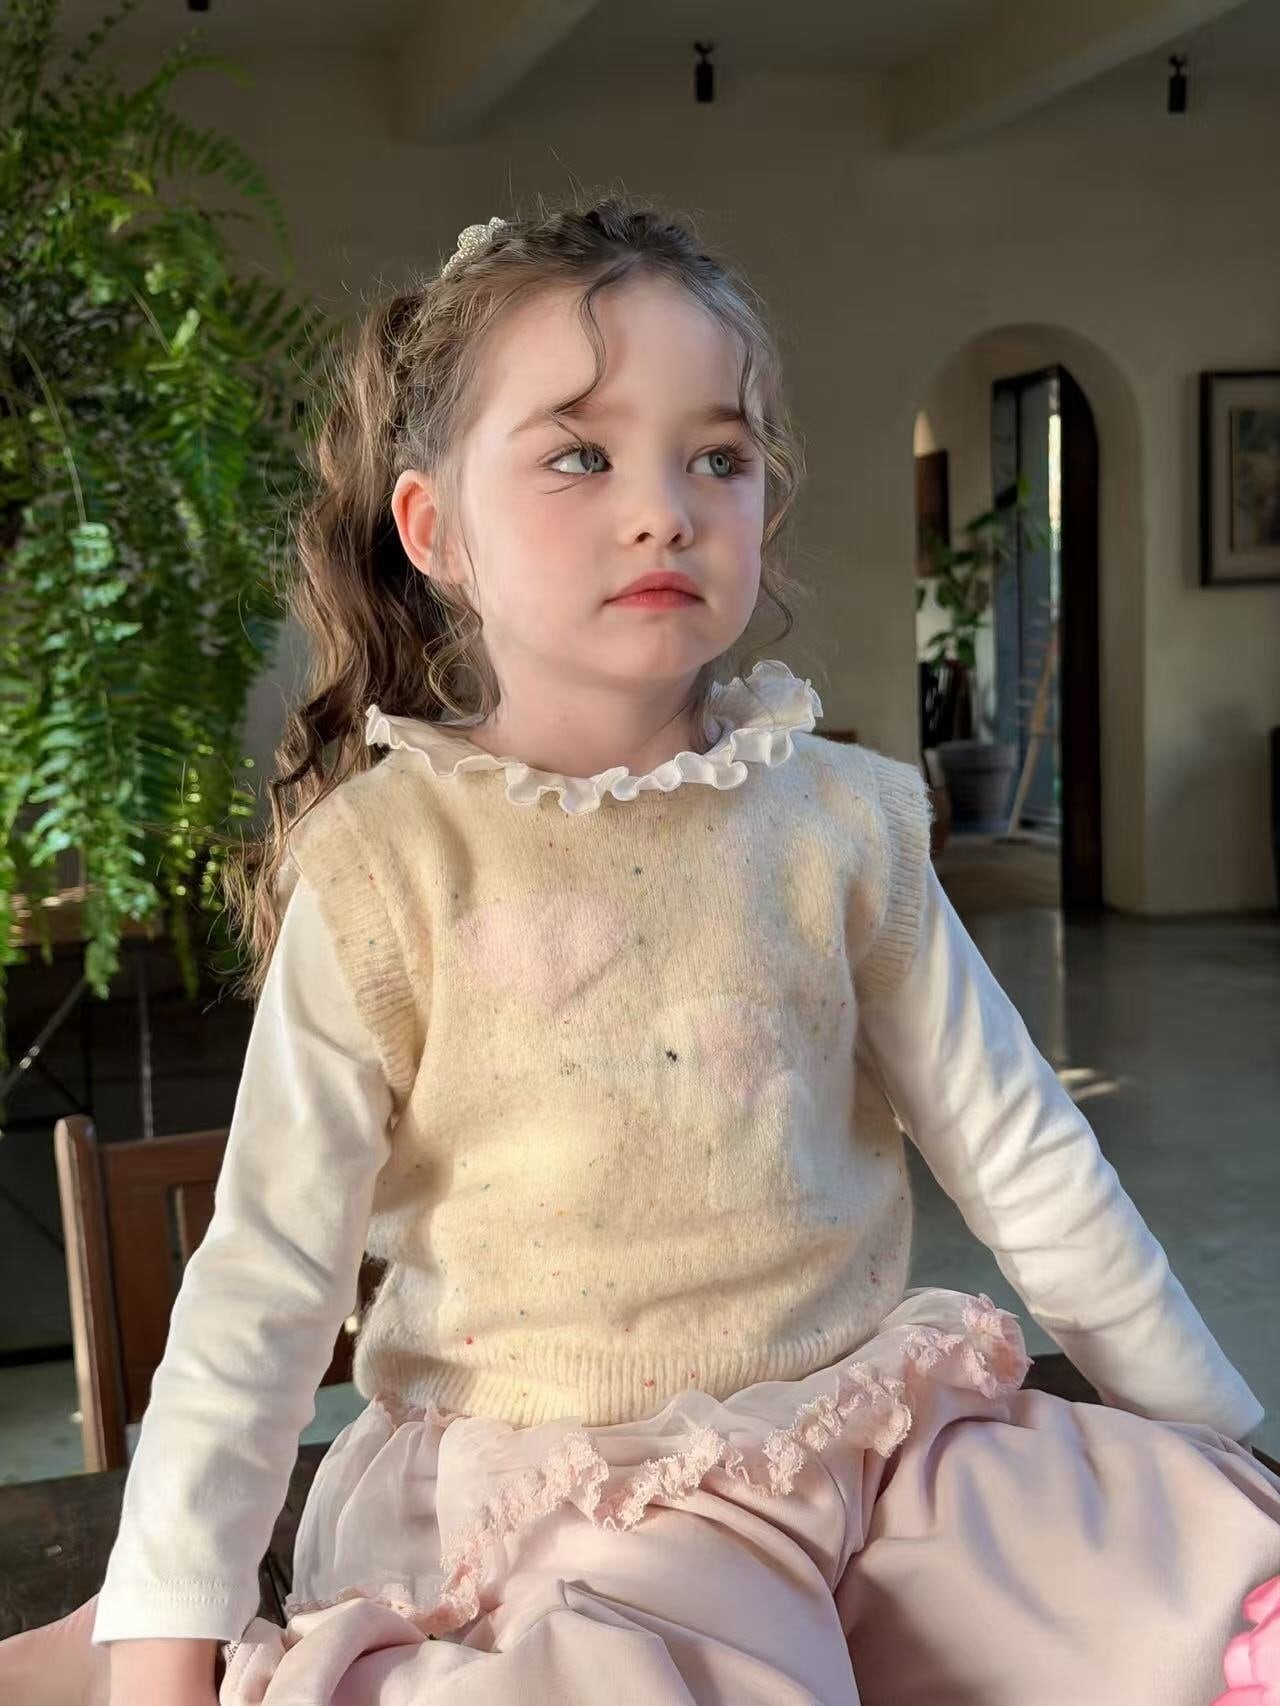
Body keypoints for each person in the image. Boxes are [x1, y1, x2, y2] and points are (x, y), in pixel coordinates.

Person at [2, 193, 1277, 1706]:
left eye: (716, 457)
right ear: (436, 531)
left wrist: (1211, 1436)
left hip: (873, 1445)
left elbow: (1027, 1156)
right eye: (579, 455)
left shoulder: (843, 822)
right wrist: (160, 1654)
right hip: (581, 1507)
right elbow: (264, 1284)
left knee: (1204, 1580)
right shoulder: (387, 867)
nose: (663, 507)